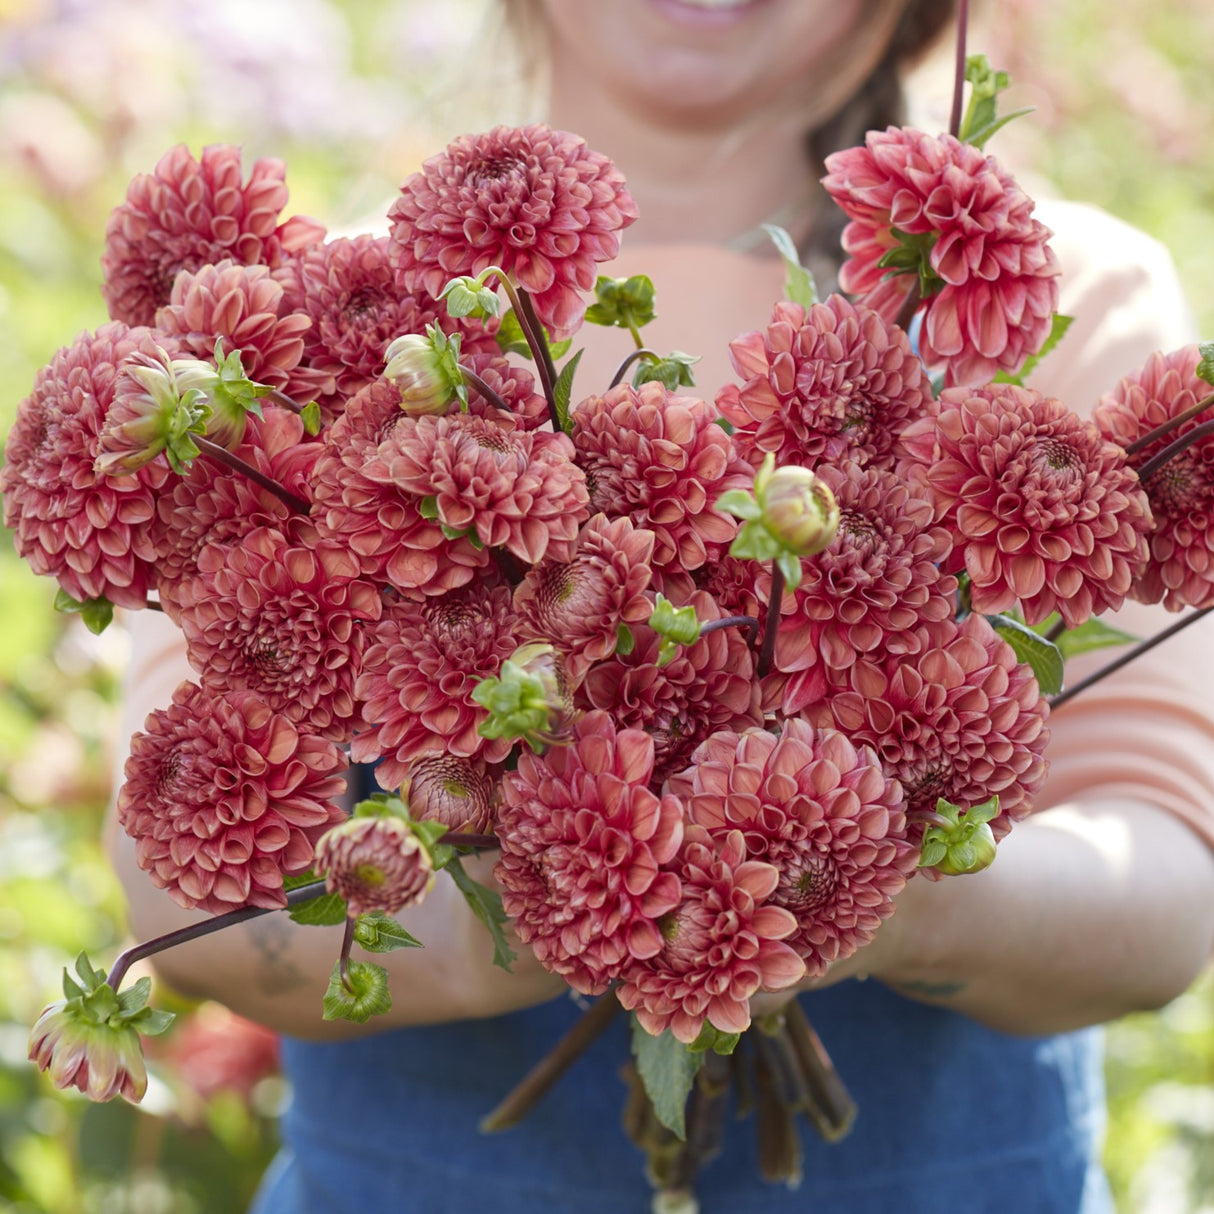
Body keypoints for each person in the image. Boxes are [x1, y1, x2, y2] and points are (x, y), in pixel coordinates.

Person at [106, 0, 1214, 1210]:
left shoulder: (1054, 299)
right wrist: (562, 912)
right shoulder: (317, 324)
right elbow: (176, 876)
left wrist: (878, 901)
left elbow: (1162, 873)